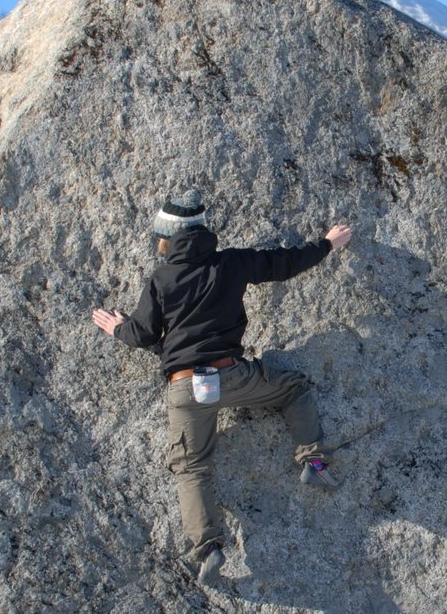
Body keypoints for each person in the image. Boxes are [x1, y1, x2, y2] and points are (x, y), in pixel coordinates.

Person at [92, 189, 353, 584]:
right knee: (293, 387)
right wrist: (327, 245)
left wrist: (118, 328)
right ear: (201, 231)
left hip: (184, 388)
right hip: (231, 377)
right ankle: (314, 462)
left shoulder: (162, 278)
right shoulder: (231, 262)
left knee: (192, 466)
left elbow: (144, 334)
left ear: (166, 238)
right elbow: (283, 263)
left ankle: (208, 548)